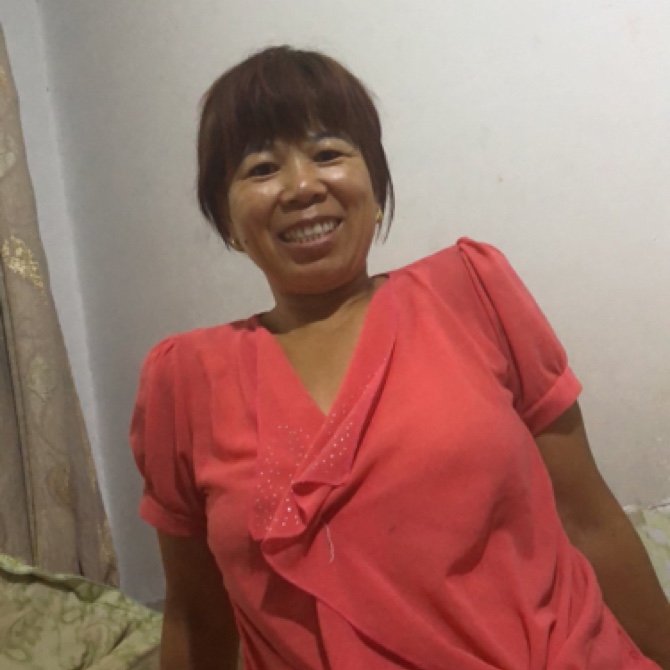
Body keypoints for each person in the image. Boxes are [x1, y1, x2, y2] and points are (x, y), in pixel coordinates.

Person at [130, 46, 670, 670]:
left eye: (328, 153)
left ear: (376, 185)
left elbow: (586, 519)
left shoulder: (473, 291)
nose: (302, 186)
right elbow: (197, 613)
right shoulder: (183, 381)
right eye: (262, 167)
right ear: (227, 219)